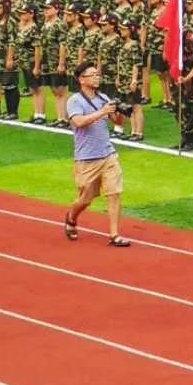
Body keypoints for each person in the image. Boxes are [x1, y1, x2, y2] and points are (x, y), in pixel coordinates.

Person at [63, 62, 131, 247]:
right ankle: (71, 216)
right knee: (85, 199)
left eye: (97, 74)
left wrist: (119, 112)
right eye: (92, 75)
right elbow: (78, 122)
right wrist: (102, 112)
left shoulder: (103, 97)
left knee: (114, 193)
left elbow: (117, 122)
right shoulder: (74, 101)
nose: (97, 77)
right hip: (86, 158)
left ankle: (114, 235)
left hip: (107, 154)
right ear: (81, 79)